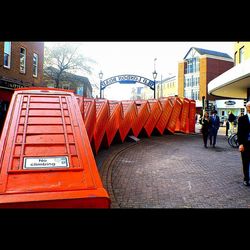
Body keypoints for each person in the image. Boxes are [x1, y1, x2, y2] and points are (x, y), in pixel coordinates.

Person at [237, 101, 250, 186]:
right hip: (246, 144)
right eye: (249, 106)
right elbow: (240, 132)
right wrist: (240, 144)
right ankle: (246, 179)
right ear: (247, 108)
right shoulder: (242, 119)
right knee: (245, 162)